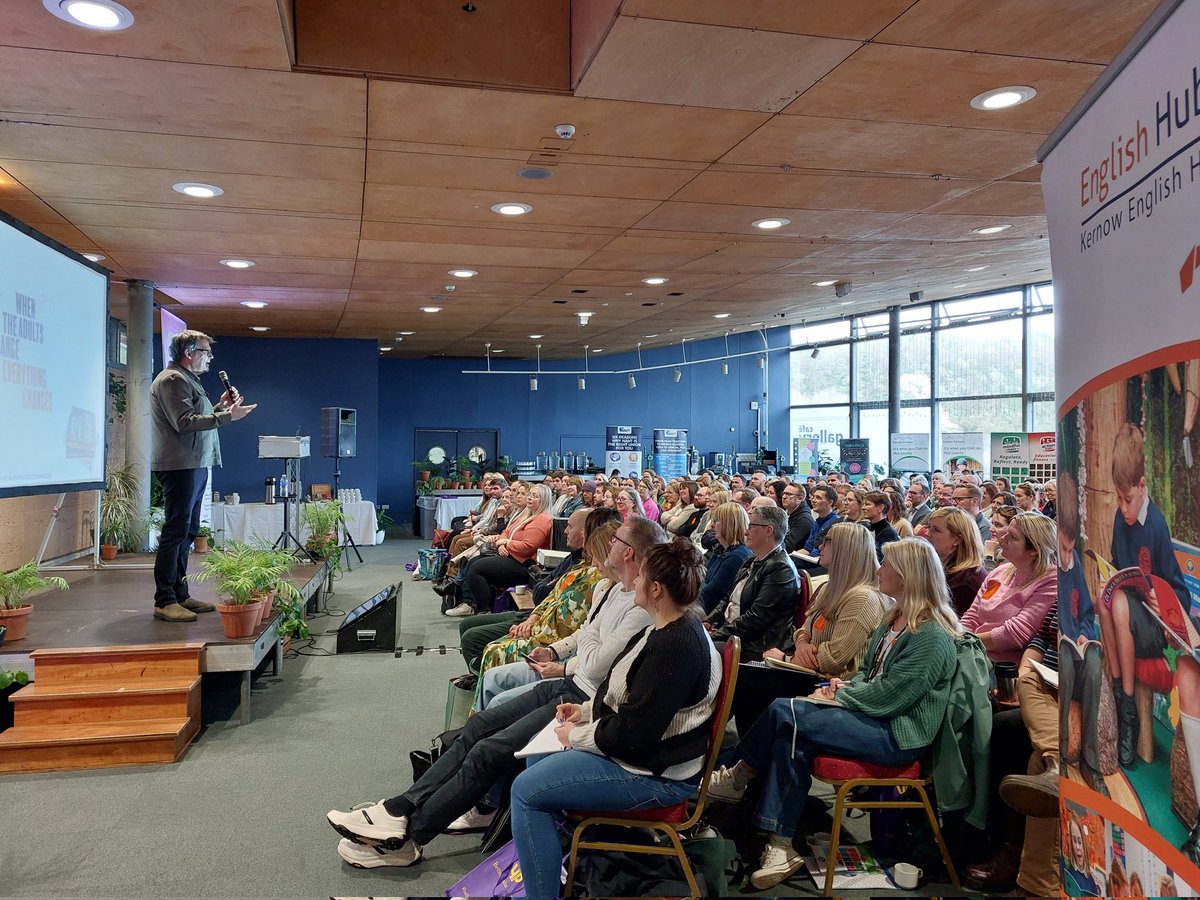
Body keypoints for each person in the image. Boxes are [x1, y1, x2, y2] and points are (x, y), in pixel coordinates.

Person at [325, 516, 669, 867]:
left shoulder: (638, 607)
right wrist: (555, 652)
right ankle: (400, 808)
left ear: (628, 553)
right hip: (571, 684)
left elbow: (595, 663)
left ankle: (409, 836)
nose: (607, 543)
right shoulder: (608, 589)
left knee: (490, 750)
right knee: (478, 726)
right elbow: (586, 639)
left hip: (584, 698)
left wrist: (581, 649)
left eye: (616, 541)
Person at [708, 538, 960, 890]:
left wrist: (841, 693)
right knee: (791, 736)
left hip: (898, 735)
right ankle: (779, 847)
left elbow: (894, 696)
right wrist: (842, 686)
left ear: (908, 576)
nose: (879, 570)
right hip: (874, 718)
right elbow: (868, 674)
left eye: (886, 565)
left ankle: (739, 774)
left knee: (785, 710)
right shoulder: (894, 618)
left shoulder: (930, 633)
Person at [510, 538, 721, 900]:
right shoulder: (664, 627)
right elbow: (624, 693)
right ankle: (568, 864)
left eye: (640, 578)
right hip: (643, 755)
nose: (633, 583)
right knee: (535, 760)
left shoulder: (676, 646)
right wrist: (586, 711)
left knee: (526, 792)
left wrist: (575, 736)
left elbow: (633, 735)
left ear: (655, 589)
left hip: (659, 775)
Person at [735, 522, 890, 733]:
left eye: (827, 541)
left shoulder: (862, 598)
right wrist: (802, 645)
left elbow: (833, 660)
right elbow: (803, 629)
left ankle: (746, 756)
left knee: (750, 681)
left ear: (846, 550)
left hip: (832, 684)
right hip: (810, 669)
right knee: (748, 673)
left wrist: (787, 659)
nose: (820, 545)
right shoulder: (830, 587)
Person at [150, 330, 257, 622]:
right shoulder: (172, 380)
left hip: (194, 463)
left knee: (187, 531)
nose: (210, 358)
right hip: (180, 464)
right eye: (206, 353)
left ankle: (180, 595)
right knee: (175, 532)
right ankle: (164, 600)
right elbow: (184, 422)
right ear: (189, 353)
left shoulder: (187, 380)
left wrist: (221, 406)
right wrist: (227, 416)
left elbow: (196, 416)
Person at [959, 511, 1057, 664]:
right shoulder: (1000, 572)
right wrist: (959, 638)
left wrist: (964, 642)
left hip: (1003, 666)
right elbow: (972, 616)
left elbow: (1015, 634)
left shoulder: (1050, 580)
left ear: (1034, 550)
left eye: (1012, 537)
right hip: (973, 653)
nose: (1002, 539)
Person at [706, 504, 800, 661]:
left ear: (768, 531)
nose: (745, 531)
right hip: (735, 633)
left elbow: (756, 619)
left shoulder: (781, 568)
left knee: (692, 649)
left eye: (751, 525)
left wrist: (716, 635)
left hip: (756, 645)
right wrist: (708, 621)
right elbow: (728, 598)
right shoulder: (751, 558)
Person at [447, 484, 553, 617]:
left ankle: (483, 610)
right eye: (530, 495)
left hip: (524, 564)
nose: (530, 498)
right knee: (474, 561)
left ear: (544, 500)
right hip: (510, 555)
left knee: (477, 569)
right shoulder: (527, 514)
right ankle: (470, 602)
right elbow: (506, 531)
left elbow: (527, 547)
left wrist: (506, 543)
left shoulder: (542, 519)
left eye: (535, 496)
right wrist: (501, 545)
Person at [924, 507, 989, 615]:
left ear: (957, 540)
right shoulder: (942, 567)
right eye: (928, 527)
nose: (927, 533)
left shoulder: (968, 581)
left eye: (936, 530)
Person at [698, 501, 753, 614]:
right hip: (704, 604)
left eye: (717, 521)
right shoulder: (722, 548)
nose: (712, 525)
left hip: (712, 612)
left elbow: (711, 594)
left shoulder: (737, 556)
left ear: (729, 525)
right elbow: (704, 577)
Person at [859, 490, 900, 560]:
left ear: (880, 508)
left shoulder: (889, 533)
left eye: (867, 504)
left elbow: (877, 559)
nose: (863, 508)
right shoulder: (866, 527)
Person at [781, 481, 815, 552]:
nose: (784, 497)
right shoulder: (789, 514)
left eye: (789, 494)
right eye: (784, 493)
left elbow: (788, 546)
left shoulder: (804, 519)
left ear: (800, 499)